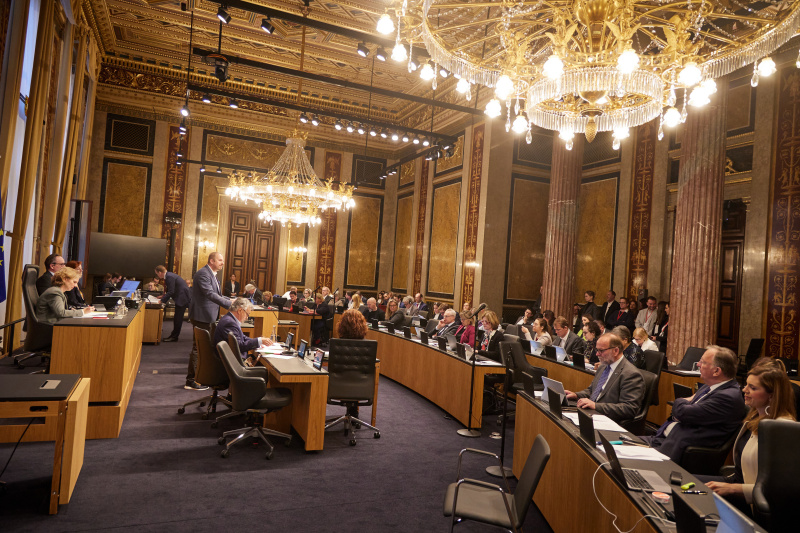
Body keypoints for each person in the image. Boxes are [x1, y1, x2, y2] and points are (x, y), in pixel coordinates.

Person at [704, 359, 796, 507]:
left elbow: (779, 490)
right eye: (746, 384)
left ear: (772, 395)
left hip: (752, 502)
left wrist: (733, 489)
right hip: (736, 485)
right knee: (683, 481)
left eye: (752, 388)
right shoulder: (753, 418)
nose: (744, 390)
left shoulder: (782, 429)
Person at [643, 345, 747, 463]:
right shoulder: (709, 387)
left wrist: (681, 400)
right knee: (619, 444)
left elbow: (682, 412)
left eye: (702, 362)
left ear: (717, 371)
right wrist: (685, 402)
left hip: (679, 452)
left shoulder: (727, 397)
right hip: (664, 439)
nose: (698, 364)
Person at [564, 333, 645, 424]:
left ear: (615, 351)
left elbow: (628, 408)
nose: (597, 354)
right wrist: (576, 395)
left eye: (601, 350)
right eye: (596, 350)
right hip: (590, 414)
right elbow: (592, 391)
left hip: (608, 420)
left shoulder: (631, 374)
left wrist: (596, 406)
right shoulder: (603, 367)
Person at [186, 252, 231, 391]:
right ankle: (191, 380)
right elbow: (209, 294)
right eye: (220, 260)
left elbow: (216, 294)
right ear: (211, 261)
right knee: (198, 348)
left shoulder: (211, 274)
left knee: (205, 348)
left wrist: (230, 300)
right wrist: (229, 304)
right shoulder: (203, 273)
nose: (222, 263)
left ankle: (202, 377)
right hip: (202, 316)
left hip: (208, 316)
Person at [213, 298, 272, 365]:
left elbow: (242, 337)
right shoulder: (229, 323)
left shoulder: (230, 319)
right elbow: (239, 346)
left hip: (231, 359)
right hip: (231, 363)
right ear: (240, 310)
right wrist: (258, 341)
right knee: (264, 366)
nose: (247, 318)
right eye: (247, 314)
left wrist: (259, 342)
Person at [155, 264, 192, 342]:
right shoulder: (170, 275)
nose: (157, 276)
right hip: (182, 297)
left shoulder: (169, 277)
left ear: (160, 272)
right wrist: (163, 296)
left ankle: (174, 337)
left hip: (182, 298)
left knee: (178, 318)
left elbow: (171, 291)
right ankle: (174, 336)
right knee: (177, 318)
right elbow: (172, 290)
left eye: (157, 274)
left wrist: (162, 300)